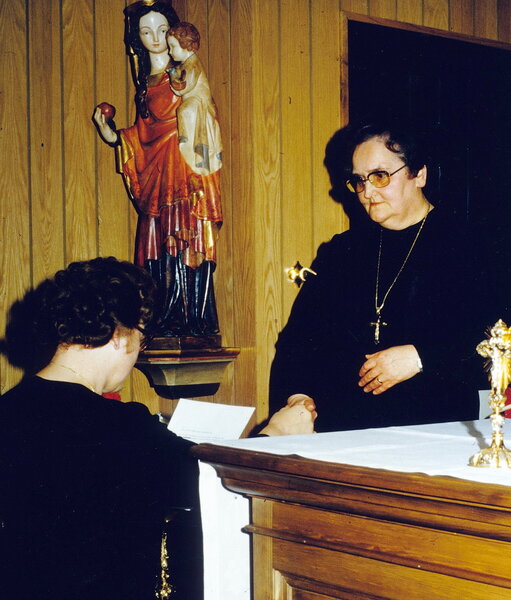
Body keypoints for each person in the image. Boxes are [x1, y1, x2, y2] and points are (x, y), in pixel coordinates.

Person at [0, 257, 316, 600]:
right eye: (142, 337)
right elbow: (217, 485)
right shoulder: (121, 426)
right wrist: (276, 434)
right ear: (121, 335)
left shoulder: (8, 406)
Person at [269, 119, 486, 433]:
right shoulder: (341, 252)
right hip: (339, 429)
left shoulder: (470, 246)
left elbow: (496, 339)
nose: (367, 192)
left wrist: (421, 358)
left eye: (380, 176)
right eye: (359, 180)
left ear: (419, 174)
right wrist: (298, 397)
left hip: (432, 428)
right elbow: (298, 340)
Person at [93, 1, 222, 337]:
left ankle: (191, 319)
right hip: (157, 174)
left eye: (163, 30)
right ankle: (164, 316)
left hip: (185, 171)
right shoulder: (146, 83)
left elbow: (204, 116)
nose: (155, 38)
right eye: (145, 31)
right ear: (136, 37)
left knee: (185, 239)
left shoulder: (185, 74)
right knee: (158, 241)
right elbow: (142, 133)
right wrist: (112, 134)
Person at [166, 22, 223, 176]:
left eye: (173, 46)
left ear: (186, 45)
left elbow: (183, 87)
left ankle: (186, 142)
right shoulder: (187, 63)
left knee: (185, 110)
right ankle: (186, 142)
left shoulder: (193, 64)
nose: (170, 52)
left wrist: (172, 74)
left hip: (199, 102)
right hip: (193, 101)